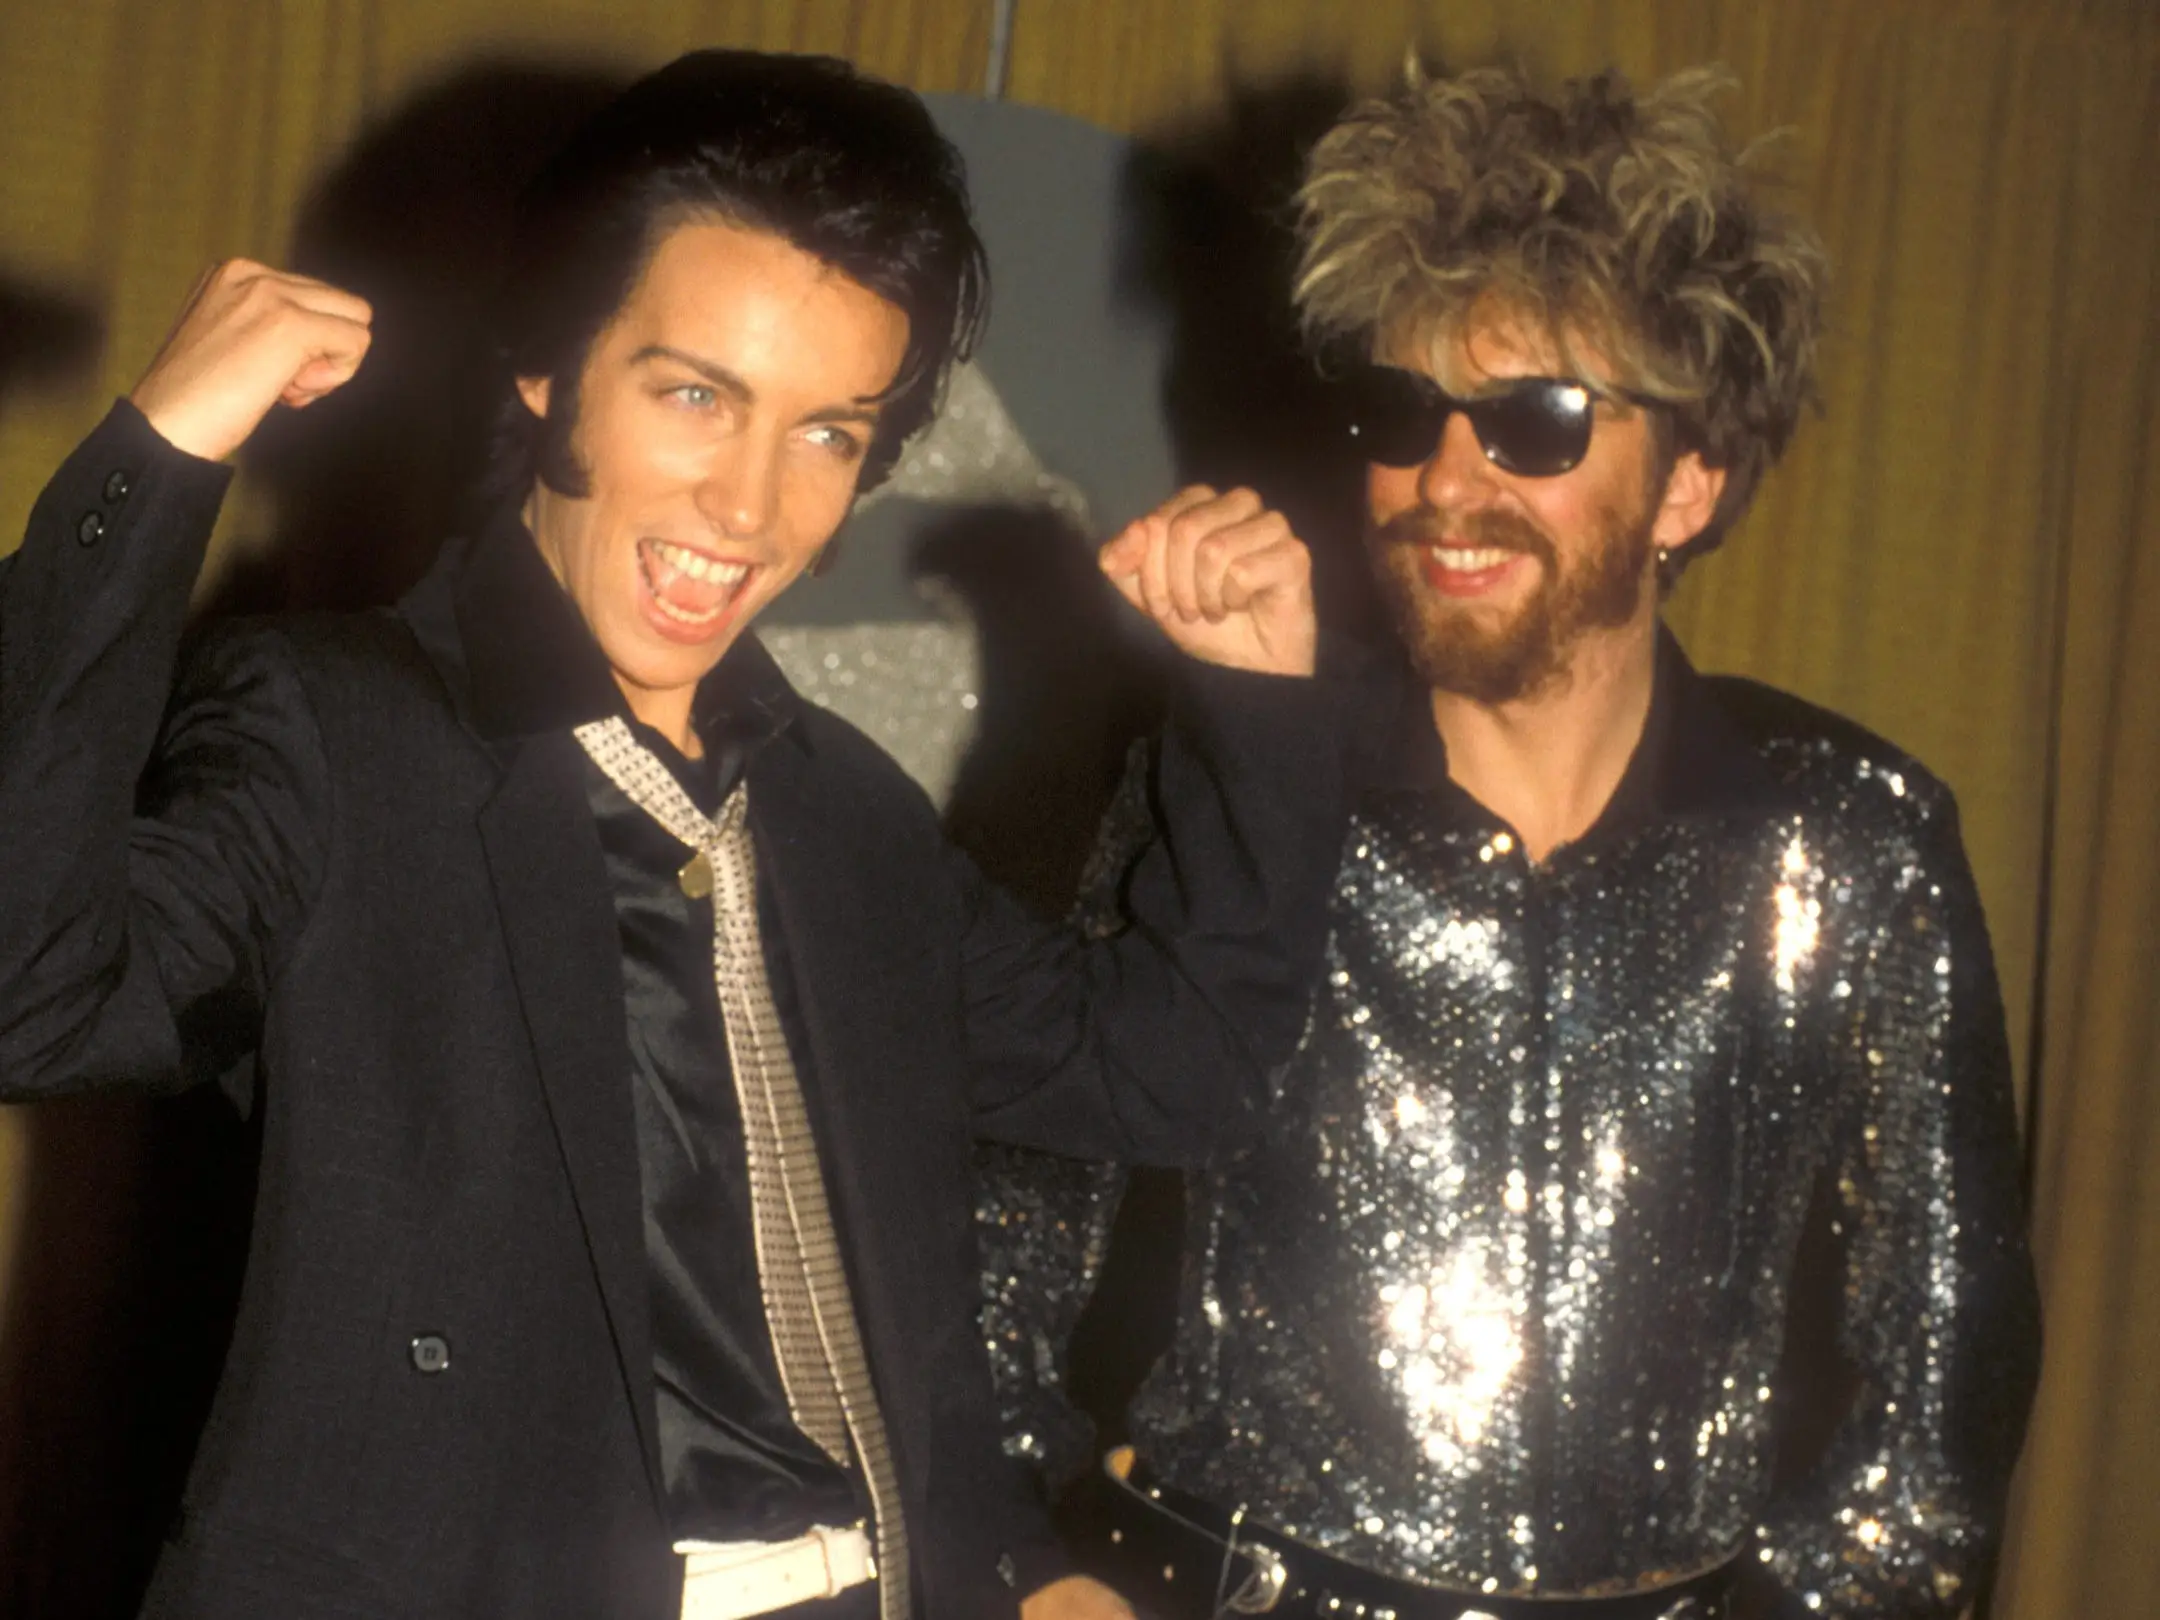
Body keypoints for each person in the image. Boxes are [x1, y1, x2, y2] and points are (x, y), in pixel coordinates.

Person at [0, 50, 1353, 1620]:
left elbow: (1180, 1067)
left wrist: (1263, 705)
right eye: (697, 395)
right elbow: (31, 989)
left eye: (830, 434)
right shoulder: (338, 729)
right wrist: (151, 468)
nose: (751, 507)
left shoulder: (840, 811)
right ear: (546, 367)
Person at [983, 62, 2041, 1620]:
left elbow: (1939, 1408)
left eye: (1538, 422)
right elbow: (996, 1263)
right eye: (1404, 412)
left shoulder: (1853, 841)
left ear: (1692, 479)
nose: (1450, 479)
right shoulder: (1233, 784)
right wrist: (1036, 1569)